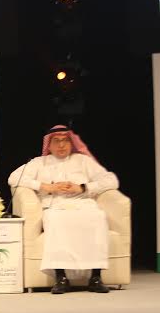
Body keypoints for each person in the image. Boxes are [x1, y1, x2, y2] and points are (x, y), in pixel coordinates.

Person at [8, 125, 118, 294]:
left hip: (83, 204)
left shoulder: (83, 161)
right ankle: (61, 278)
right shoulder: (39, 163)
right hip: (55, 206)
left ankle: (96, 278)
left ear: (71, 143)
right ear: (49, 145)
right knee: (57, 220)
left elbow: (111, 180)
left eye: (65, 141)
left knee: (97, 217)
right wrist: (45, 186)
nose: (61, 145)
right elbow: (14, 177)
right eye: (56, 141)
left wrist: (83, 187)